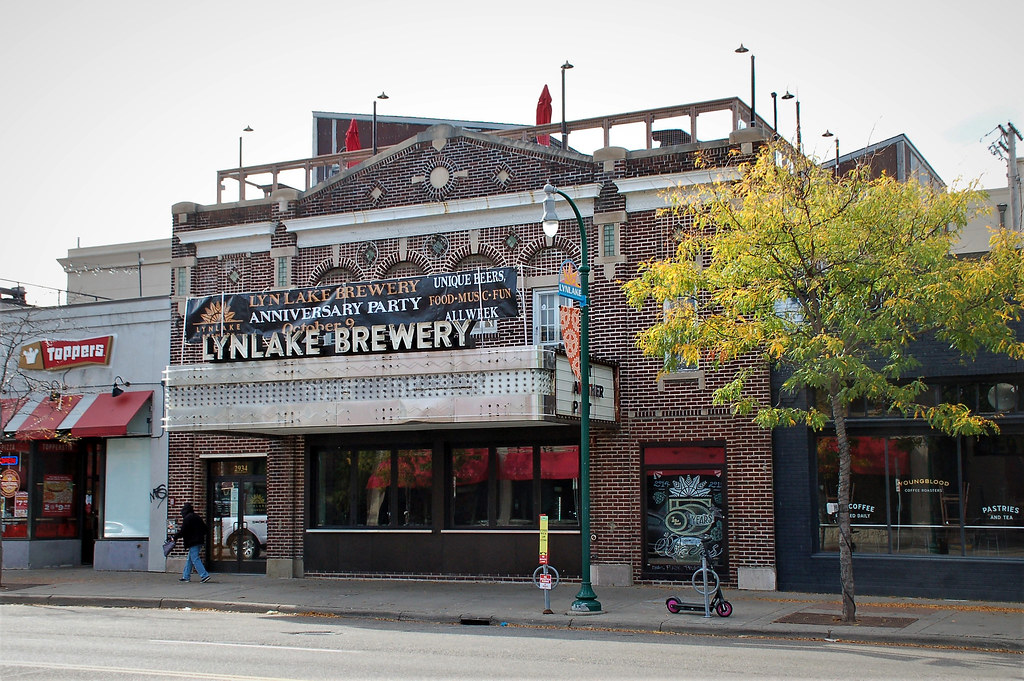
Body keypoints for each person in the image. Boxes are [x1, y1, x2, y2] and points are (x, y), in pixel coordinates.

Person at [174, 502, 211, 583]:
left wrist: (175, 537)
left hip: (192, 542)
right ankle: (186, 576)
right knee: (190, 559)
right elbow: (205, 528)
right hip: (199, 540)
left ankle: (204, 575)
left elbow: (183, 531)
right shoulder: (197, 517)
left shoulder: (187, 518)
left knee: (194, 558)